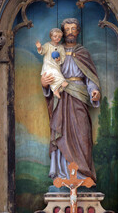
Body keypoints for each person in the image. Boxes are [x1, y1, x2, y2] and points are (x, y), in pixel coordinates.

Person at [41, 18, 101, 182]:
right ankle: (63, 175)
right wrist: (44, 84)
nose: (70, 33)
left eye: (73, 29)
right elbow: (48, 70)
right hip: (60, 95)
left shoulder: (83, 52)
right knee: (60, 131)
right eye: (67, 29)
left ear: (78, 31)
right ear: (62, 32)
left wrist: (94, 91)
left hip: (79, 95)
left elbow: (90, 77)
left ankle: (82, 175)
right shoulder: (55, 52)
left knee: (82, 133)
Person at [35, 28, 68, 98]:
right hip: (48, 65)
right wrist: (39, 47)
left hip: (56, 65)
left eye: (59, 37)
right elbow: (42, 51)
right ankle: (61, 83)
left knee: (55, 76)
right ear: (51, 37)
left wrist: (59, 59)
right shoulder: (48, 45)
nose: (57, 38)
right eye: (55, 36)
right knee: (53, 74)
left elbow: (63, 57)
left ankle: (55, 90)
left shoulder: (61, 47)